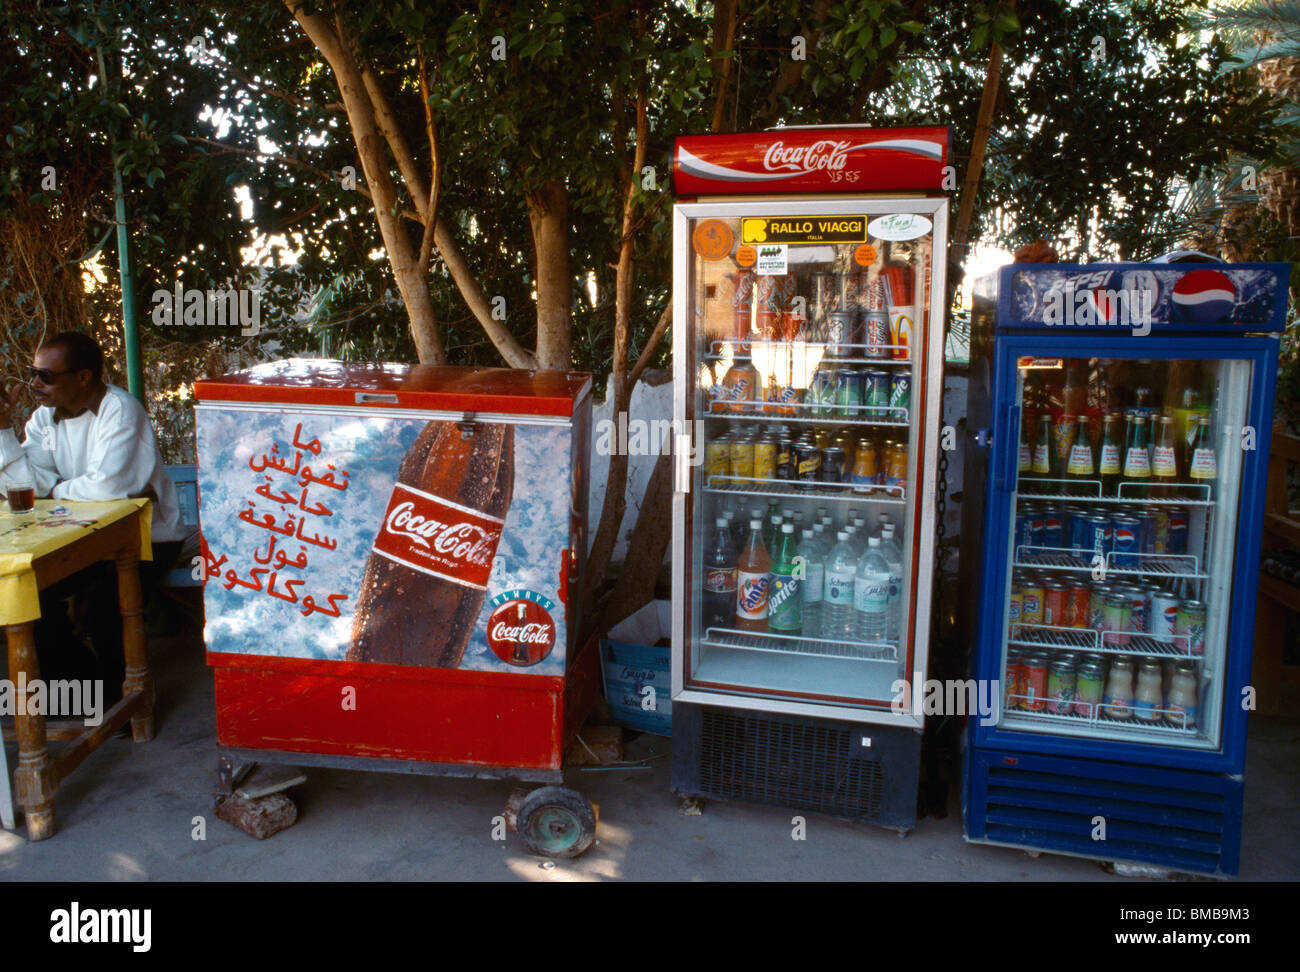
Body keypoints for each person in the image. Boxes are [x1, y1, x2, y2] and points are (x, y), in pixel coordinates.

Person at [0, 331, 193, 709]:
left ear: (83, 377)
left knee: (105, 607)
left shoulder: (120, 410)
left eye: (46, 376)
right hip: (79, 537)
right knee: (33, 597)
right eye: (32, 373)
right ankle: (85, 696)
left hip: (147, 537)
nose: (34, 384)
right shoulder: (43, 419)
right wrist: (3, 430)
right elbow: (22, 485)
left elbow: (109, 487)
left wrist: (53, 488)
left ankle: (123, 701)